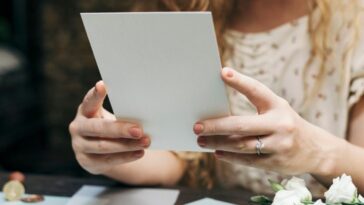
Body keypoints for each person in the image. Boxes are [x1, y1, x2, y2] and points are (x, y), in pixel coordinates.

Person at [69, 0, 364, 195]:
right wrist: (110, 149)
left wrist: (315, 151)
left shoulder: (354, 23)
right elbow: (180, 159)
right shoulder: (179, 8)